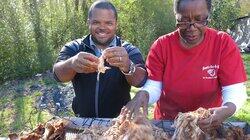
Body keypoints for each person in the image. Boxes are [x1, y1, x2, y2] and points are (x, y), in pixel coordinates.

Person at [124, 0, 247, 131]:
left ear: (208, 16)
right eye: (183, 21)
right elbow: (154, 87)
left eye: (199, 20)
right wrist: (144, 94)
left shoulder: (222, 43)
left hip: (208, 124)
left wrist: (227, 109)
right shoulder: (162, 46)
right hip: (168, 125)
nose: (192, 27)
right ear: (176, 17)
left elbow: (234, 90)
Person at [53, 0, 147, 118]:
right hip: (83, 121)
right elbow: (57, 75)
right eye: (96, 22)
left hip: (118, 122)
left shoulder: (128, 50)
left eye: (109, 23)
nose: (102, 28)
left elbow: (141, 81)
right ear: (88, 22)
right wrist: (72, 63)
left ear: (116, 24)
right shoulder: (74, 47)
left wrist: (128, 65)